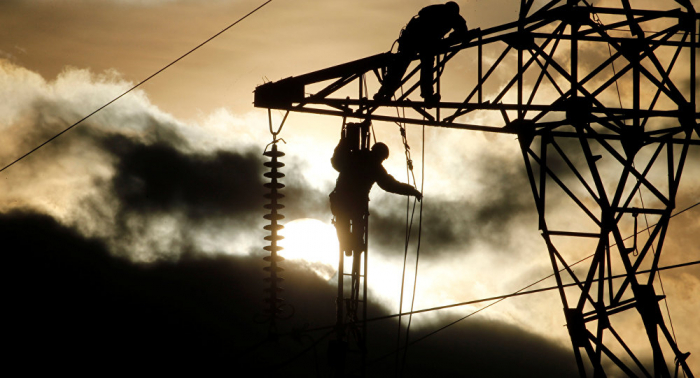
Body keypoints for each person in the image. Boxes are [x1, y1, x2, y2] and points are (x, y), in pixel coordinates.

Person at [329, 125, 422, 256]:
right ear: (380, 155)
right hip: (354, 202)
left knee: (343, 222)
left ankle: (349, 245)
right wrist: (412, 191)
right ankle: (353, 245)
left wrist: (343, 143)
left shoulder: (355, 157)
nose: (381, 160)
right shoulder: (374, 167)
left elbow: (336, 161)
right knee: (355, 222)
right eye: (382, 158)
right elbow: (391, 185)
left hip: (341, 199)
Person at [374, 1, 469, 103]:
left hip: (418, 41)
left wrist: (452, 37)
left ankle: (384, 92)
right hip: (416, 40)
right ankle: (424, 95)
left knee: (403, 66)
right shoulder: (441, 13)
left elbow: (463, 31)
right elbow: (462, 32)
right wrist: (448, 39)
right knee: (420, 64)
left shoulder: (447, 14)